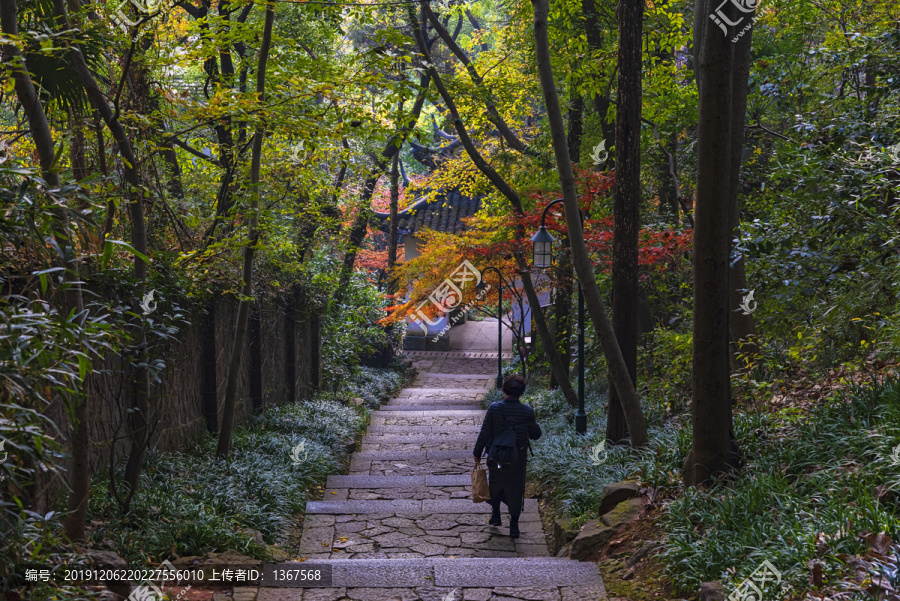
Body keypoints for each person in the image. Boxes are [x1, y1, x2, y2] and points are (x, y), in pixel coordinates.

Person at [473, 374, 542, 538]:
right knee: (516, 489)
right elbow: (536, 434)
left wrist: (477, 452)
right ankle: (514, 526)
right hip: (517, 460)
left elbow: (485, 433)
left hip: (495, 457)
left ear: (503, 389)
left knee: (495, 485)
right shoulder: (527, 411)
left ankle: (496, 515)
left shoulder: (494, 408)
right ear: (521, 392)